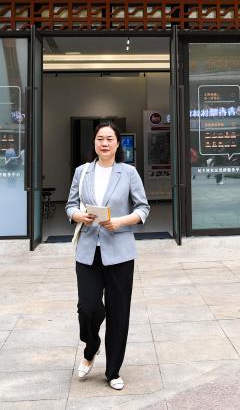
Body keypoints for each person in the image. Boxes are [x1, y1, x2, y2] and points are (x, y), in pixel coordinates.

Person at [66, 121, 149, 391]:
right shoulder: (82, 172)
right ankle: (91, 347)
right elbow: (70, 206)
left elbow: (143, 208)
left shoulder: (128, 172)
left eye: (110, 139)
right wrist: (78, 216)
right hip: (88, 251)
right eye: (100, 138)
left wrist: (120, 222)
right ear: (94, 142)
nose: (104, 143)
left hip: (120, 252)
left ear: (117, 143)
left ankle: (113, 371)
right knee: (87, 307)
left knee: (118, 313)